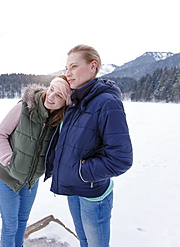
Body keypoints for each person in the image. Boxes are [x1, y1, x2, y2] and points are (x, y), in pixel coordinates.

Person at [49, 45, 133, 247]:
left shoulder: (107, 103)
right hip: (74, 189)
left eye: (74, 66)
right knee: (84, 240)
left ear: (92, 66)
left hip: (93, 195)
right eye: (66, 67)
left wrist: (81, 172)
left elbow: (121, 159)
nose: (68, 73)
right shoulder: (75, 101)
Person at [0, 75, 72, 247]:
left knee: (22, 221)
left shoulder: (57, 122)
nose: (51, 97)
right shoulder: (24, 108)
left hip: (31, 182)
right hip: (7, 177)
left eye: (59, 95)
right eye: (52, 89)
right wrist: (9, 161)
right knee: (10, 224)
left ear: (65, 103)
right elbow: (0, 135)